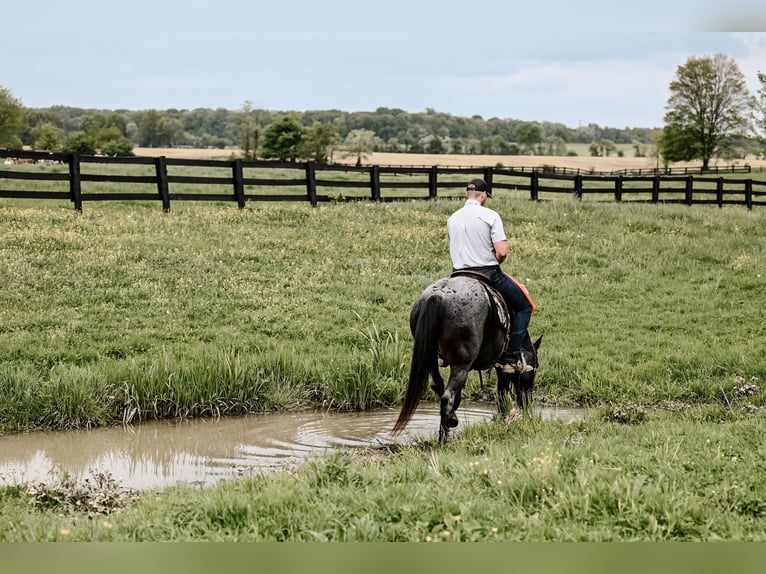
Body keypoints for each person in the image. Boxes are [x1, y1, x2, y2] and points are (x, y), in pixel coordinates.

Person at [446, 178, 534, 373]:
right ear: (483, 195)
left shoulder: (452, 218)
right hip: (487, 273)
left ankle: (439, 354)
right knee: (524, 307)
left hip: (458, 274)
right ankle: (510, 359)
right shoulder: (490, 215)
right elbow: (502, 252)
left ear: (467, 194)